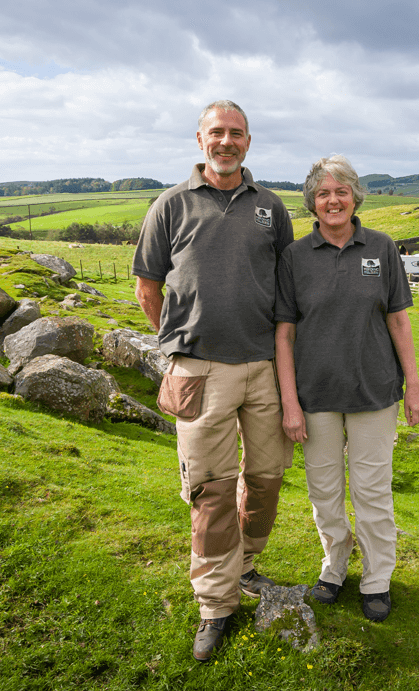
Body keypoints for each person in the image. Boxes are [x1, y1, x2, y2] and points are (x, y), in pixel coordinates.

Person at [132, 100, 294, 661]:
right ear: (200, 139)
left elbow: (285, 287)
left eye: (237, 134)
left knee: (267, 478)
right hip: (199, 371)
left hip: (265, 371)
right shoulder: (170, 205)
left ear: (249, 142)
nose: (226, 142)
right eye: (216, 133)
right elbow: (148, 289)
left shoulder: (271, 207)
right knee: (210, 491)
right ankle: (215, 604)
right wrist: (182, 342)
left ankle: (244, 563)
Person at [274, 154, 419, 623]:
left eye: (341, 191)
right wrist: (290, 403)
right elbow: (284, 333)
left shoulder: (381, 248)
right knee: (324, 492)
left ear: (355, 196)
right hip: (315, 396)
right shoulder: (294, 257)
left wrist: (414, 387)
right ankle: (334, 567)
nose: (332, 200)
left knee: (372, 492)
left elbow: (398, 320)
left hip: (374, 393)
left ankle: (377, 578)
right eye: (323, 193)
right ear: (312, 203)